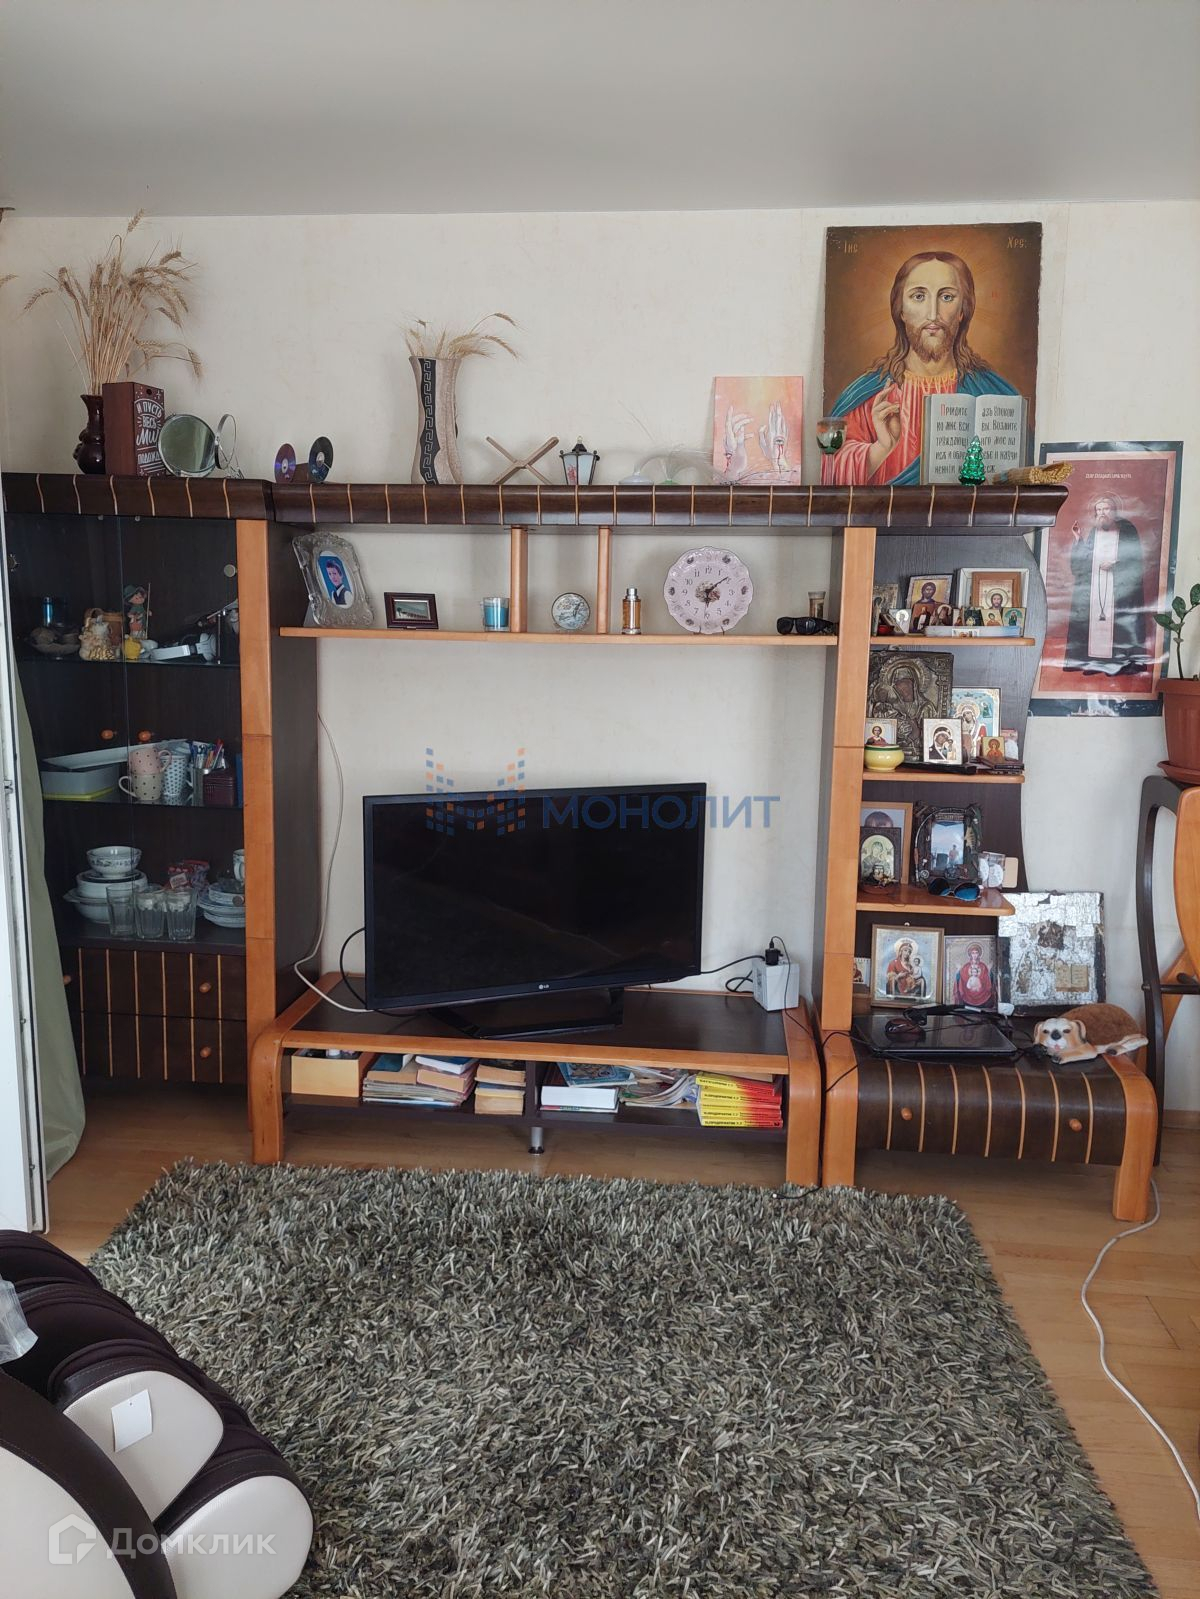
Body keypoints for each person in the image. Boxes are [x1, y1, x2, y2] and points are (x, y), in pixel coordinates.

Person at [822, 250, 1018, 487]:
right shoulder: (869, 396)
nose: (933, 314)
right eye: (918, 296)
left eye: (947, 297)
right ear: (901, 310)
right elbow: (832, 479)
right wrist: (881, 447)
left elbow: (1018, 475)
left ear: (962, 311)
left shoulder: (991, 393)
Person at [1065, 495, 1148, 675]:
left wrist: (1115, 565)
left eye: (1106, 509)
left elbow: (1135, 560)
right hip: (1096, 587)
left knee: (1119, 624)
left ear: (1114, 511)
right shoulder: (1094, 532)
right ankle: (1096, 663)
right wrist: (1078, 539)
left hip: (1118, 588)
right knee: (1093, 624)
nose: (1102, 513)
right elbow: (1082, 564)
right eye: (1099, 510)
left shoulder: (1127, 530)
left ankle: (1116, 664)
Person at [953, 943, 995, 1007]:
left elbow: (987, 979)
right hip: (967, 995)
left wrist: (989, 971)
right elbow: (962, 978)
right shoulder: (966, 966)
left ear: (979, 954)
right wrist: (958, 971)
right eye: (973, 953)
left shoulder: (983, 966)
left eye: (976, 953)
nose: (974, 955)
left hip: (982, 995)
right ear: (970, 954)